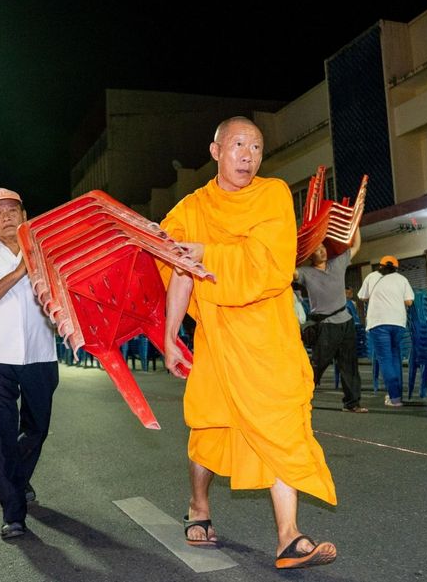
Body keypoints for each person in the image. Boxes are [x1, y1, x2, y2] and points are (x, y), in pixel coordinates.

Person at [161, 117, 337, 570]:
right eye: (238, 144)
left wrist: (208, 253)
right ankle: (199, 508)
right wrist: (169, 336)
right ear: (216, 150)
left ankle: (289, 537)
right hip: (219, 337)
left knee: (283, 425)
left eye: (256, 147)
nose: (248, 155)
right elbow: (179, 271)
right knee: (209, 425)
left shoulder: (274, 195)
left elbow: (273, 264)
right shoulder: (192, 208)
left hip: (269, 335)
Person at [0, 187, 58, 540]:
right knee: (0, 437)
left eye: (12, 210)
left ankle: (16, 478)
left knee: (37, 429)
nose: (6, 216)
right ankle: (13, 512)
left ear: (24, 214)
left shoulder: (46, 250)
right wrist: (22, 270)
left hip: (40, 355)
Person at [294, 231, 366, 413]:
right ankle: (299, 399)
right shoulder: (305, 273)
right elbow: (289, 272)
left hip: (346, 322)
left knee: (349, 364)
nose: (322, 251)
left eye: (323, 247)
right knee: (317, 365)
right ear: (310, 256)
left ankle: (352, 403)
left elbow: (356, 246)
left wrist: (356, 225)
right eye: (317, 250)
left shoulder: (338, 263)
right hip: (325, 326)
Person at [357, 256, 414, 408]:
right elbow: (409, 301)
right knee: (396, 358)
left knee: (385, 359)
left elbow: (362, 297)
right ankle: (397, 395)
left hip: (379, 323)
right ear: (396, 268)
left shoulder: (371, 277)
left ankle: (394, 398)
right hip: (398, 323)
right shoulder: (402, 279)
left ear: (380, 266)